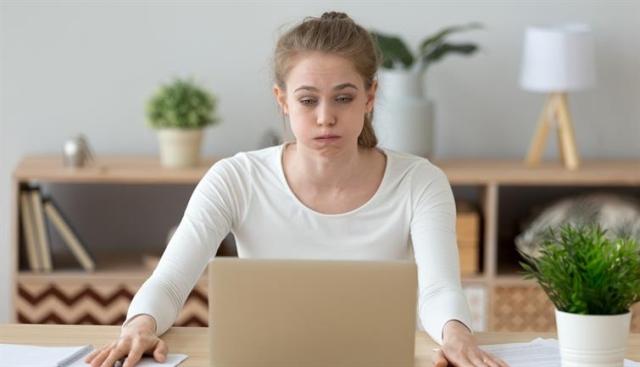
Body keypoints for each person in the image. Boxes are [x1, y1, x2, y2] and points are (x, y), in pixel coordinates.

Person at [86, 11, 508, 367]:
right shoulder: (235, 179)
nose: (326, 117)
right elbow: (170, 283)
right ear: (282, 100)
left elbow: (438, 290)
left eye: (343, 98)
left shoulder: (420, 182)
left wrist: (455, 334)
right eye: (308, 100)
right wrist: (139, 325)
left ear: (370, 96)